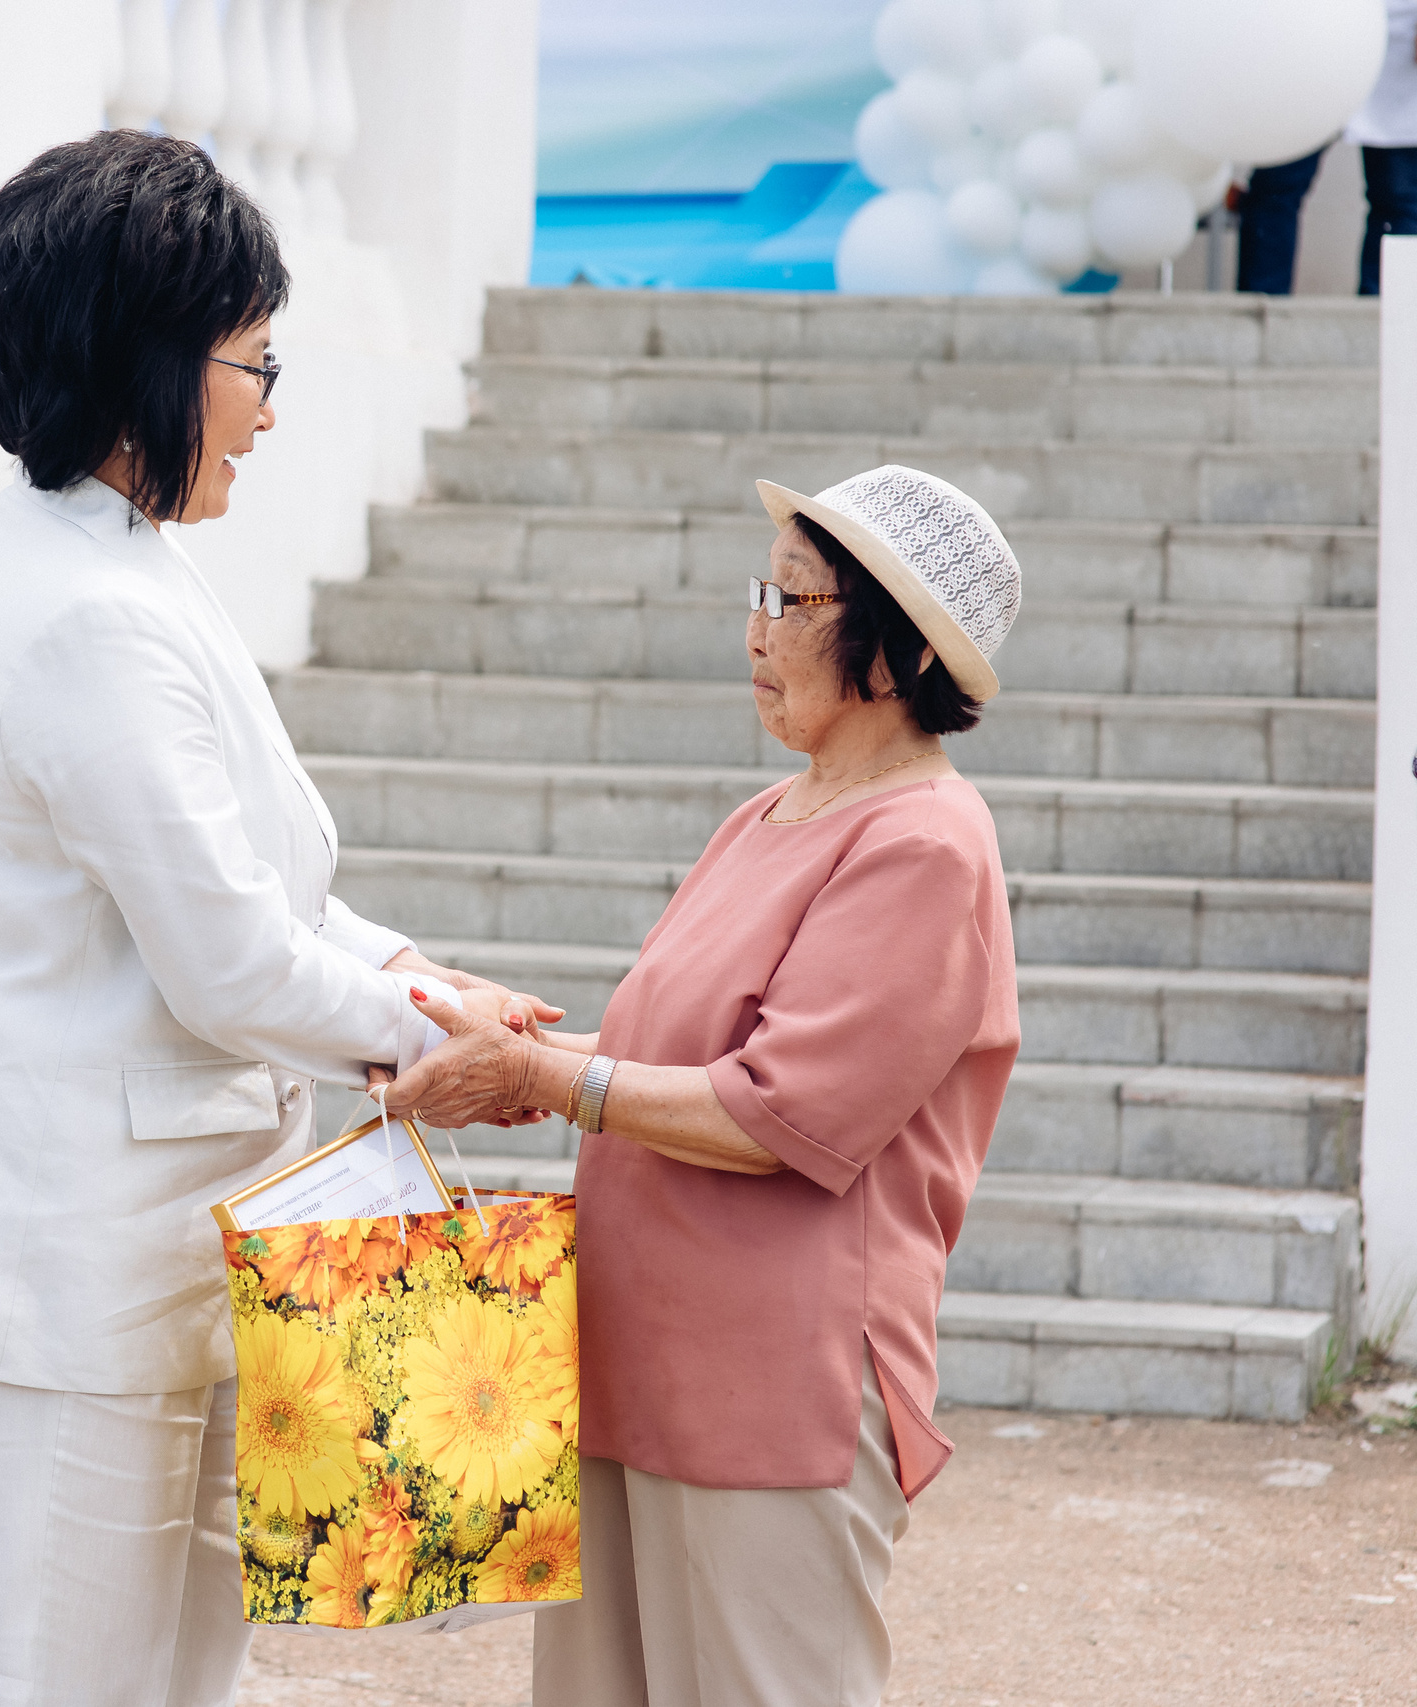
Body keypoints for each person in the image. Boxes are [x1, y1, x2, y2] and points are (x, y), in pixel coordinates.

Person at [0, 130, 549, 1707]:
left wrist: (413, 972)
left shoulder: (120, 558)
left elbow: (253, 884)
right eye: (255, 360)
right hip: (68, 1264)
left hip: (157, 1237)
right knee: (62, 1678)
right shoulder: (87, 610)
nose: (272, 405)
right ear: (144, 362)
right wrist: (435, 1028)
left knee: (174, 1673)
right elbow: (229, 959)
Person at [381, 464, 1024, 1707]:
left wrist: (550, 1078)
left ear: (893, 652)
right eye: (761, 594)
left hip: (776, 1379)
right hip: (638, 1358)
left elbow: (779, 1113)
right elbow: (656, 1058)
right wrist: (505, 1056)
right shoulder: (766, 816)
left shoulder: (926, 842)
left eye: (792, 602)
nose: (755, 629)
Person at [1238, 0, 1417, 296]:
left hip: (1397, 45)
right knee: (1275, 188)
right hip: (1313, 41)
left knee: (1400, 206)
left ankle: (1384, 327)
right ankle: (1261, 318)